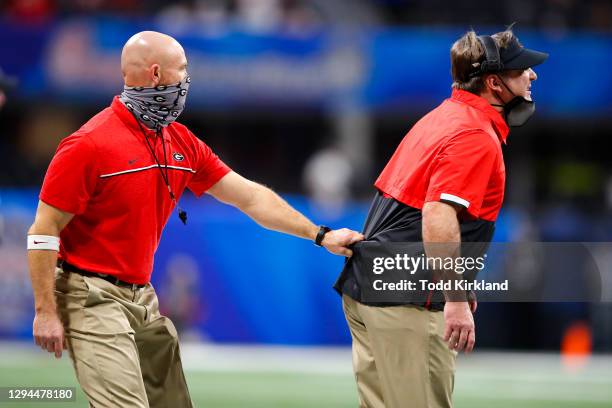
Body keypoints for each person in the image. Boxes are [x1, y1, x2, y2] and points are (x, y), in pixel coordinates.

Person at [27, 31, 364, 408]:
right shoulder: (88, 144)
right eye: (183, 69)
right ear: (156, 74)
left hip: (142, 297)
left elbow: (251, 197)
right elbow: (44, 229)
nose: (187, 79)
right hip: (89, 296)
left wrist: (321, 235)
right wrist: (45, 312)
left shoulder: (180, 142)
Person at [334, 28, 547, 408]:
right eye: (522, 70)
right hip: (407, 302)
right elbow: (437, 213)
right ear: (494, 83)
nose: (531, 75)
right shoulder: (474, 133)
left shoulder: (443, 116)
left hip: (371, 288)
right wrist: (454, 297)